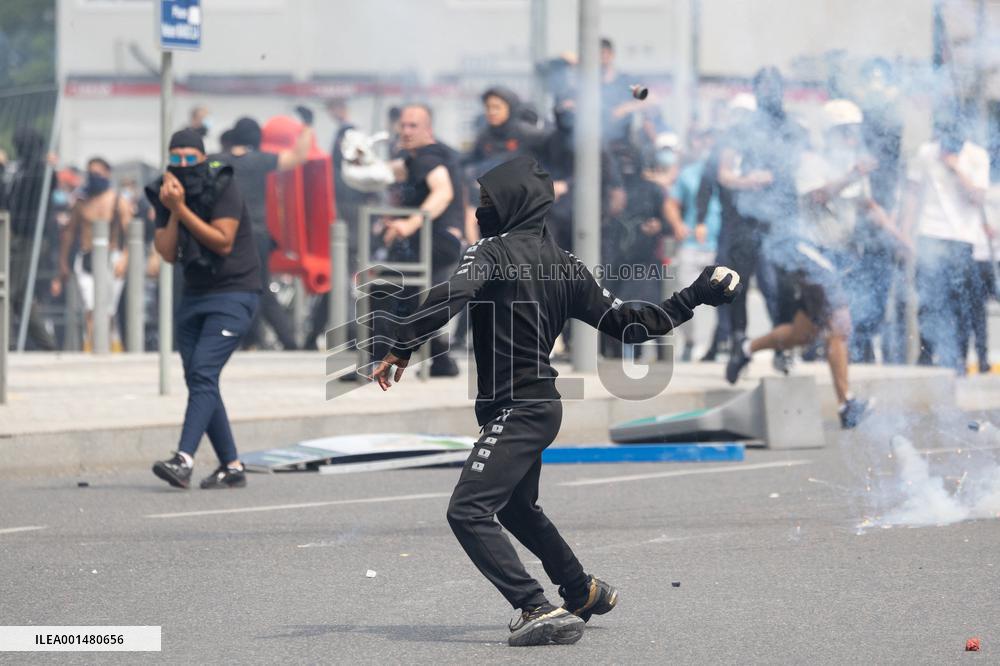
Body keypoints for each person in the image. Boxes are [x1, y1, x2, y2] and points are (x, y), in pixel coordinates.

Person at [369, 155, 740, 646]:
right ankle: (581, 590)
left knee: (468, 510)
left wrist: (402, 340)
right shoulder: (567, 265)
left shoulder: (491, 251)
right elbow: (632, 325)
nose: (482, 211)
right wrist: (695, 295)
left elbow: (451, 294)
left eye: (488, 202)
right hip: (539, 405)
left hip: (518, 408)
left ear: (512, 204)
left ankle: (535, 607)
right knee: (517, 510)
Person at [726, 100, 883, 429]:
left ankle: (745, 348)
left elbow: (868, 206)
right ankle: (847, 405)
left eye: (855, 130)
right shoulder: (813, 162)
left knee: (804, 331)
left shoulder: (853, 166)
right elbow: (818, 197)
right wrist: (854, 173)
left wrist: (902, 237)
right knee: (840, 323)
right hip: (805, 249)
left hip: (832, 256)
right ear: (831, 132)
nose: (853, 136)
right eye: (846, 130)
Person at [148, 129, 261, 490]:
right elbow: (166, 252)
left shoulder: (222, 183)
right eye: (175, 159)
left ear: (202, 157)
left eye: (189, 159)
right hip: (194, 296)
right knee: (201, 379)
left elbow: (223, 241)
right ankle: (231, 465)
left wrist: (181, 208)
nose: (182, 166)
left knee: (202, 373)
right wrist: (174, 212)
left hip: (234, 293)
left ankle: (184, 459)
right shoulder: (164, 195)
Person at [719, 69, 806, 363]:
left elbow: (806, 167)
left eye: (774, 86)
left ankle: (782, 344)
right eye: (763, 86)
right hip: (748, 216)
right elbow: (725, 173)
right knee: (737, 281)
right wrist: (749, 181)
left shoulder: (792, 127)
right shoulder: (742, 129)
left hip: (783, 216)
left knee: (783, 284)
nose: (770, 92)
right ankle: (738, 340)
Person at [377, 103, 466, 377]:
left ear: (428, 129)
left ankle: (375, 355)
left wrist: (410, 223)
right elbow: (390, 171)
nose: (405, 130)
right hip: (441, 242)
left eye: (413, 126)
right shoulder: (418, 158)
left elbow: (443, 192)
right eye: (402, 125)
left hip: (435, 241)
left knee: (384, 288)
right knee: (418, 302)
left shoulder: (428, 158)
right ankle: (441, 361)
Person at [901, 116, 990, 372]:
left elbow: (978, 196)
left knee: (960, 302)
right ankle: (926, 356)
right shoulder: (925, 153)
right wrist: (906, 234)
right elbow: (912, 194)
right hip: (929, 233)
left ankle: (959, 358)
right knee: (927, 299)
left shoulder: (976, 156)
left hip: (962, 239)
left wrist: (955, 168)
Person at [218, 114, 312, 350]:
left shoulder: (217, 161)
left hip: (224, 235)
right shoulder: (260, 160)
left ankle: (249, 340)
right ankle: (281, 342)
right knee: (258, 287)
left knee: (230, 287)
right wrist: (306, 126)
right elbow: (298, 157)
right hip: (255, 234)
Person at [52, 157, 133, 351]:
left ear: (107, 173)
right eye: (90, 172)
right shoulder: (82, 202)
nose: (93, 177)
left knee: (108, 310)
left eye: (98, 172)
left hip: (111, 258)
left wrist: (125, 258)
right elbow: (69, 234)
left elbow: (131, 232)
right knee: (90, 307)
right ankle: (91, 349)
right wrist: (63, 262)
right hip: (86, 258)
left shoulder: (117, 201)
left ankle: (111, 349)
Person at [669, 128, 724, 360]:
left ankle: (714, 345)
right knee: (684, 294)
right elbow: (672, 203)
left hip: (718, 245)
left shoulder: (727, 175)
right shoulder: (688, 173)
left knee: (721, 300)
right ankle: (690, 341)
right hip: (692, 244)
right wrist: (678, 225)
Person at [2, 128, 57, 351]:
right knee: (21, 296)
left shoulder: (41, 171)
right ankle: (47, 345)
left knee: (7, 290)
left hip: (30, 238)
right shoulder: (20, 170)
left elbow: (29, 196)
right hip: (17, 236)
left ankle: (7, 343)